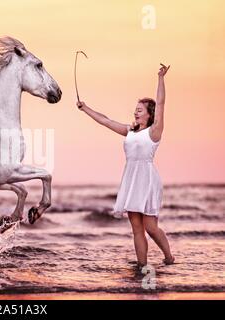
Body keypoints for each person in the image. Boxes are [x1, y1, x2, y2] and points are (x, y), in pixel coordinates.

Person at [76, 64, 174, 268]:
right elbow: (105, 120)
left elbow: (162, 103)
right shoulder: (129, 131)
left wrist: (161, 78)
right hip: (131, 179)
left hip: (146, 179)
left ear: (149, 114)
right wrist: (85, 108)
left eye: (139, 110)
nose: (136, 113)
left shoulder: (154, 132)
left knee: (151, 227)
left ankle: (168, 256)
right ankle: (142, 266)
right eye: (135, 110)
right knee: (136, 228)